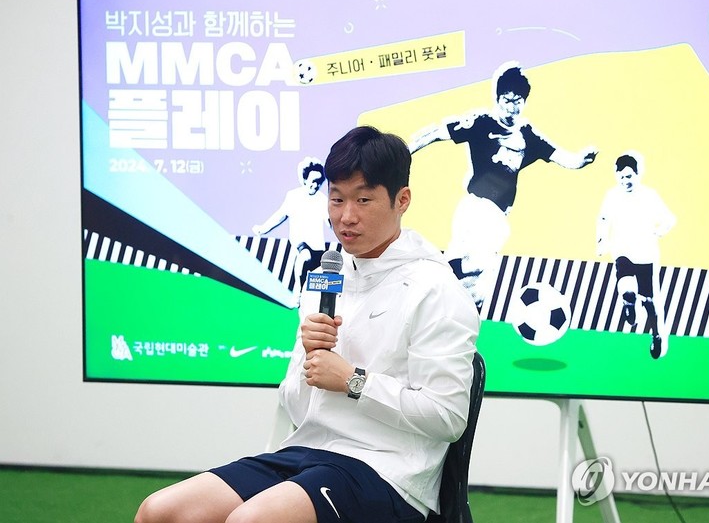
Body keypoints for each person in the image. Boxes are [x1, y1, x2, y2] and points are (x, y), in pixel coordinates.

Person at [134, 126, 480, 523]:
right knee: (159, 512)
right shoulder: (326, 276)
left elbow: (447, 417)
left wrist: (353, 381)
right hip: (306, 450)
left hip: (388, 471)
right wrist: (308, 359)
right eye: (337, 199)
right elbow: (298, 406)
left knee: (251, 521)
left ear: (401, 200)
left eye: (363, 200)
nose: (346, 217)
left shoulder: (436, 288)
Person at [408, 61, 597, 309]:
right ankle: (432, 275)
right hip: (475, 208)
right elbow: (436, 133)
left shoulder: (527, 135)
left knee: (478, 290)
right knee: (480, 263)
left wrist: (581, 160)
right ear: (497, 99)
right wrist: (404, 151)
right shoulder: (481, 122)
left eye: (518, 101)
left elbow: (563, 157)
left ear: (524, 102)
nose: (512, 107)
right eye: (507, 100)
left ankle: (455, 317)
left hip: (499, 217)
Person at [595, 151, 676, 359]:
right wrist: (601, 241)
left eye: (629, 176)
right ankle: (628, 303)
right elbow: (603, 219)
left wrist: (659, 231)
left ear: (637, 174)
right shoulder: (612, 196)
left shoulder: (649, 195)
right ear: (617, 176)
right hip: (622, 250)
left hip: (645, 254)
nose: (626, 181)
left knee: (649, 300)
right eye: (622, 177)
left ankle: (656, 335)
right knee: (626, 287)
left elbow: (669, 219)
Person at [252, 156, 329, 305]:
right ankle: (298, 294)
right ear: (305, 179)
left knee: (319, 281)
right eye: (313, 181)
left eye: (319, 182)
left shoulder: (322, 200)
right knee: (304, 258)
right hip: (301, 243)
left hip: (318, 247)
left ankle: (316, 303)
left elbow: (331, 221)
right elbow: (280, 216)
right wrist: (263, 229)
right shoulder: (294, 196)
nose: (315, 185)